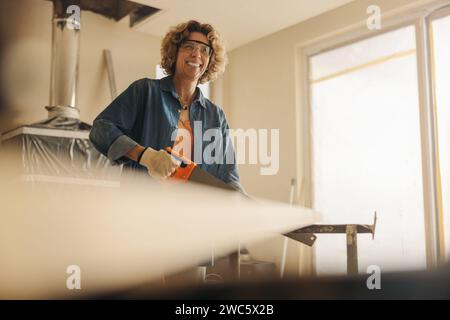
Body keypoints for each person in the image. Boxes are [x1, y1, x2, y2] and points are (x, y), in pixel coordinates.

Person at [89, 20, 244, 193]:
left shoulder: (216, 115)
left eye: (204, 50)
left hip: (193, 215)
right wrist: (146, 156)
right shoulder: (145, 91)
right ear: (175, 52)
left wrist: (246, 205)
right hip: (142, 208)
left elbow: (229, 176)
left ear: (211, 60)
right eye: (189, 46)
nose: (197, 54)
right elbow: (101, 128)